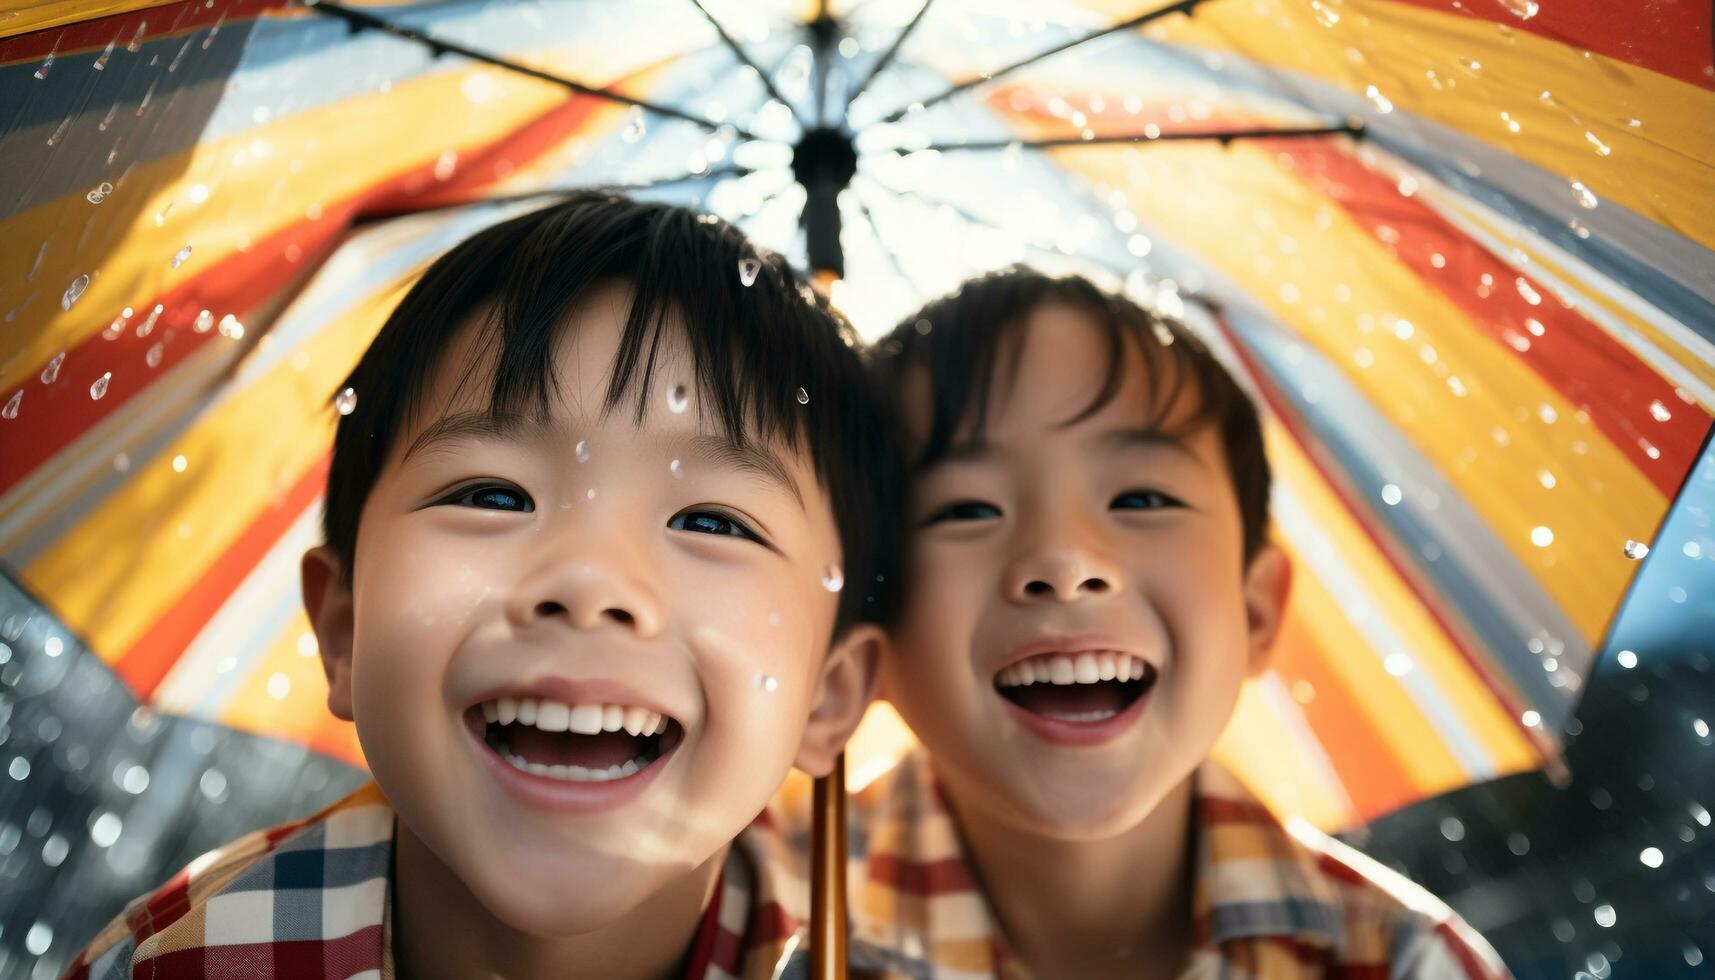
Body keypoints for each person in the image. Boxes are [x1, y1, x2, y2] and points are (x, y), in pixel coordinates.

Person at [61, 191, 900, 980]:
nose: (588, 581)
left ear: (827, 695)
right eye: (493, 496)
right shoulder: (185, 963)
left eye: (713, 522)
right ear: (344, 630)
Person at [844, 268, 1511, 979]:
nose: (1065, 563)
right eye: (967, 509)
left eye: (1140, 498)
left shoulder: (1400, 964)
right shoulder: (750, 917)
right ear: (861, 628)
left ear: (1256, 612)